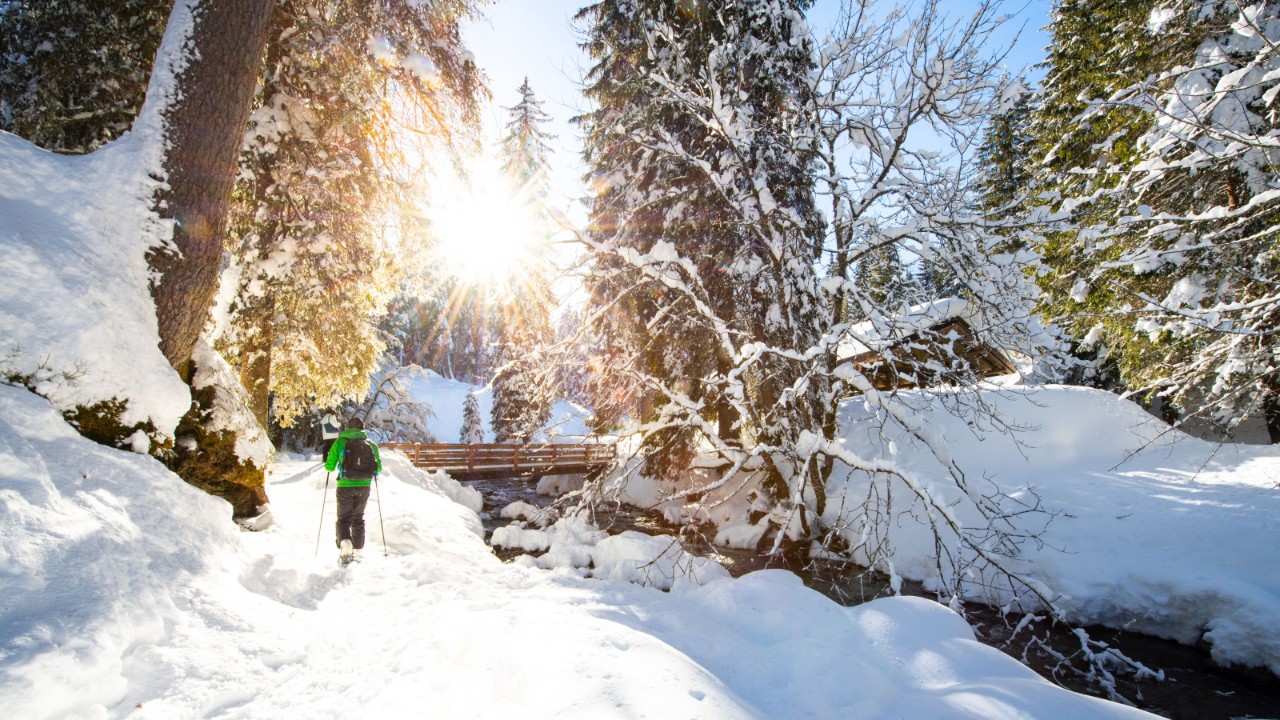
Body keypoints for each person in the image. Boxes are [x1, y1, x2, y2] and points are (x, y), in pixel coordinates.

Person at [324, 417, 382, 564]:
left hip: (345, 486)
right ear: (362, 429)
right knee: (358, 518)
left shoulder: (340, 442)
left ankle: (345, 544)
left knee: (343, 518)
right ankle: (358, 552)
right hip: (364, 486)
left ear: (348, 428)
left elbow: (329, 466)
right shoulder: (371, 445)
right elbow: (378, 469)